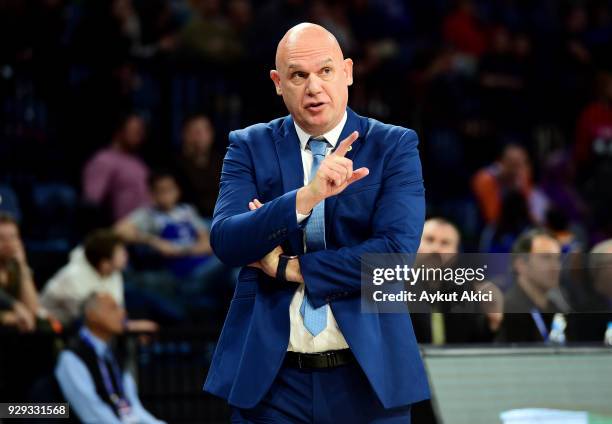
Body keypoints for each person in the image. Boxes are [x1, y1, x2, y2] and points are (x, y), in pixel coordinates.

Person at [204, 23, 429, 423]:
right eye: (298, 75)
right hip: (271, 384)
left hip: (369, 378)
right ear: (278, 83)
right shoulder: (249, 145)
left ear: (348, 72)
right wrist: (306, 197)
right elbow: (227, 240)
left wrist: (290, 268)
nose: (313, 87)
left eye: (325, 71)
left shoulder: (393, 145)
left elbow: (393, 257)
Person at [55, 293, 165, 424]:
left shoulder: (115, 354)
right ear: (92, 316)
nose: (123, 312)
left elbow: (134, 408)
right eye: (113, 308)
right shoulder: (71, 357)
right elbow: (92, 415)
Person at [41, 229, 157, 332]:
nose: (125, 254)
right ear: (104, 264)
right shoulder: (73, 277)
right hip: (50, 332)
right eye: (120, 252)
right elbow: (91, 319)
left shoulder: (114, 273)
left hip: (81, 331)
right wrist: (132, 328)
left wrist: (128, 326)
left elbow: (117, 310)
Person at [497, 229, 570, 343]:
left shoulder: (557, 309)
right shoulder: (506, 312)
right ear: (521, 264)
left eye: (558, 259)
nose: (556, 266)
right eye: (546, 258)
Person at [83, 113, 151, 221]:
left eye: (141, 131)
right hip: (121, 230)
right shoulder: (104, 160)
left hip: (147, 228)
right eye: (135, 130)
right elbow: (91, 204)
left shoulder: (138, 162)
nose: (140, 135)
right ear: (119, 131)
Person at [0, 213, 56, 332]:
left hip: (17, 330)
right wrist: (6, 317)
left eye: (13, 237)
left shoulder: (14, 268)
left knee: (44, 327)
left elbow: (33, 309)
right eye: (1, 238)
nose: (8, 243)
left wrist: (23, 266)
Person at [173, 114, 224, 218]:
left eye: (205, 130)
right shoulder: (175, 164)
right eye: (195, 131)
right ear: (184, 134)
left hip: (219, 218)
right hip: (186, 220)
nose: (201, 136)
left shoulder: (223, 160)